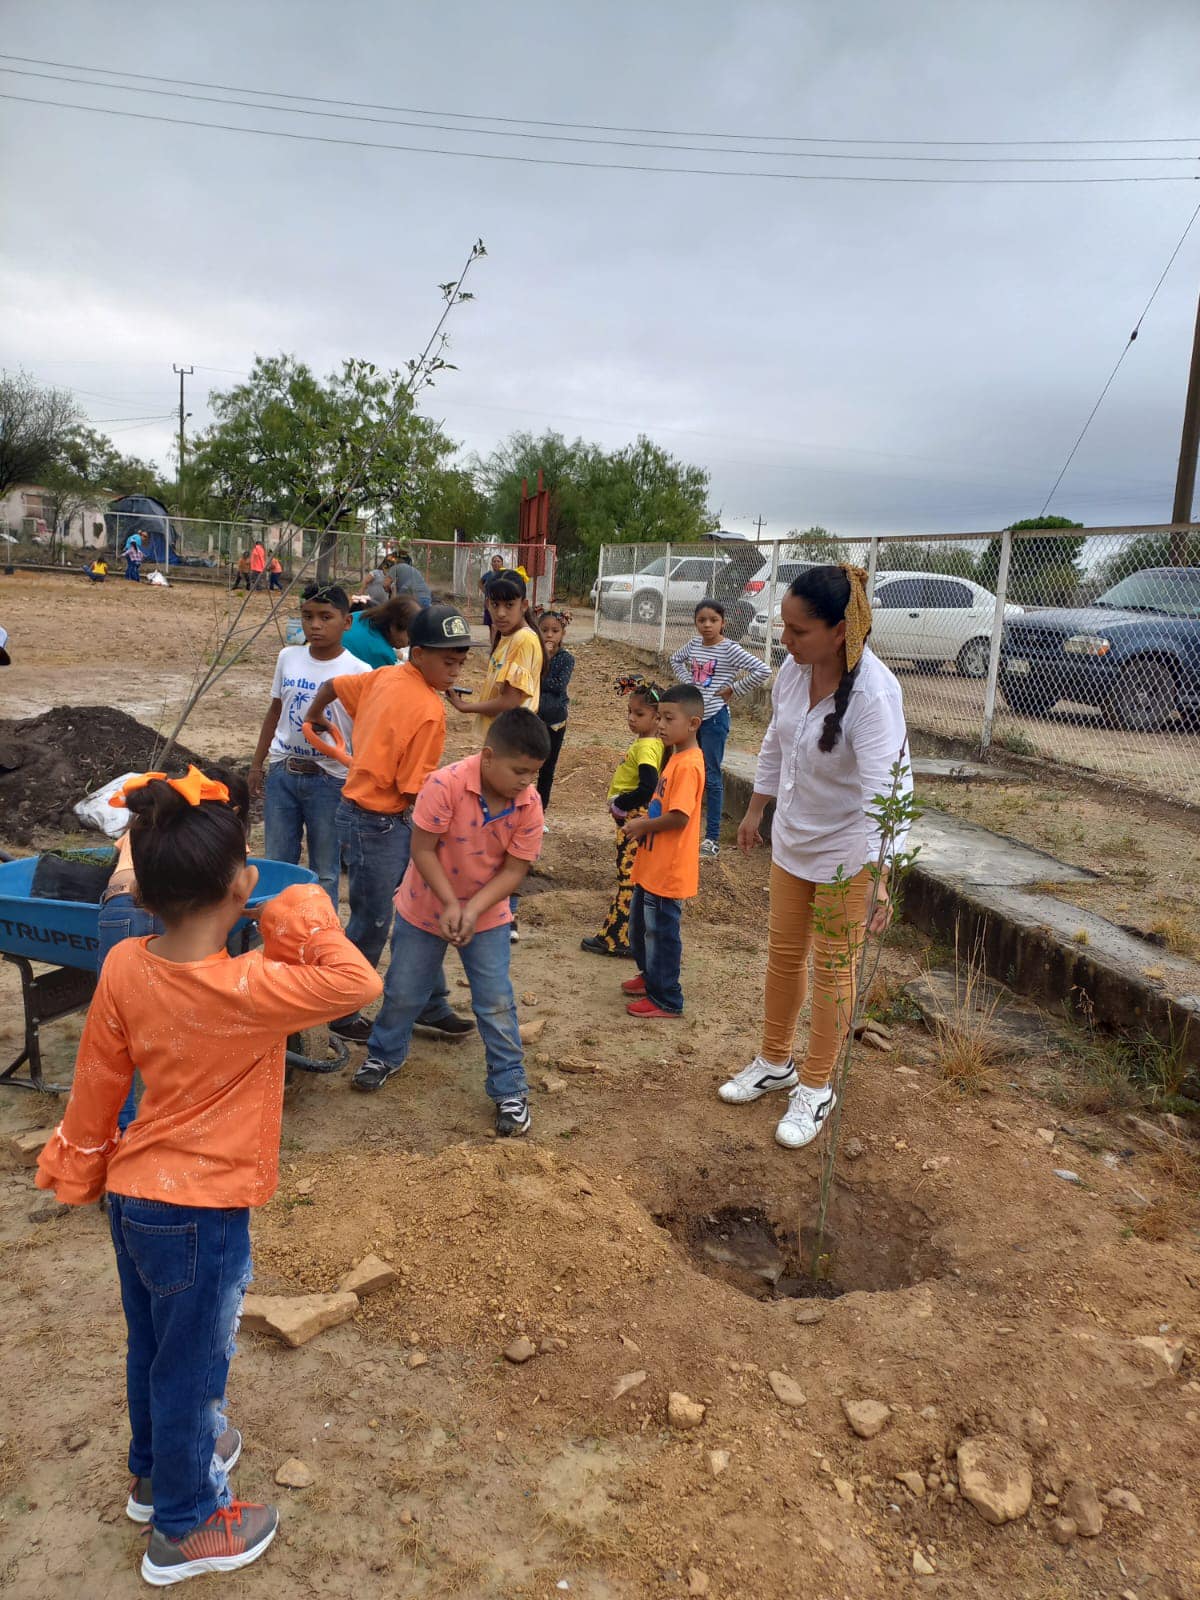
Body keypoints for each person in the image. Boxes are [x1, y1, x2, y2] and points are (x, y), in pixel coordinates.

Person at [35, 767, 381, 1585]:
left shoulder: (126, 964)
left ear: (144, 893)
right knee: (193, 1368)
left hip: (134, 1198)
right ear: (240, 885)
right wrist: (297, 910)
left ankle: (156, 1475)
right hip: (203, 1211)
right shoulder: (253, 986)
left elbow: (98, 1082)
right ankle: (185, 1526)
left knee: (155, 1347)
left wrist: (79, 1164)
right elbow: (357, 982)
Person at [718, 565, 910, 1151]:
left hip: (849, 854)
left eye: (798, 631)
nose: (786, 641)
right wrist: (756, 809)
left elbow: (888, 789)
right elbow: (775, 743)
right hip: (793, 841)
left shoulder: (874, 695)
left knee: (832, 969)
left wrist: (880, 875)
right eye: (784, 628)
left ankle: (817, 1085)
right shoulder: (792, 674)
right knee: (783, 956)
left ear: (839, 631)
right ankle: (775, 1062)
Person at [352, 709, 548, 1135]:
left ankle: (510, 1089)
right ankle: (384, 1054)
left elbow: (515, 871)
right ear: (489, 756)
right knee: (404, 991)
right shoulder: (445, 785)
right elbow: (422, 850)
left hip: (487, 913)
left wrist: (471, 910)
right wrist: (448, 903)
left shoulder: (529, 805)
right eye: (519, 771)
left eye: (533, 773)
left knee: (495, 1002)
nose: (526, 782)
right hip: (424, 904)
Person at [304, 604, 483, 1046]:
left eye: (460, 662)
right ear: (418, 654)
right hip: (381, 823)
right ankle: (341, 1010)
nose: (455, 671)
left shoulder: (384, 675)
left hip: (365, 815)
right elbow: (411, 788)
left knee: (418, 910)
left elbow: (331, 686)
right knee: (373, 920)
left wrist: (315, 716)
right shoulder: (429, 710)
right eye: (448, 661)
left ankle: (429, 1002)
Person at [98, 764, 251, 1134]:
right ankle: (176, 1115)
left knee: (118, 1026)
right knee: (181, 1016)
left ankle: (119, 1130)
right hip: (176, 913)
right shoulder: (218, 837)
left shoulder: (150, 824)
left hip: (119, 905)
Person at [249, 583, 370, 907]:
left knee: (325, 869)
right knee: (277, 862)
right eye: (307, 616)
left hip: (330, 780)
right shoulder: (288, 658)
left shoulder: (360, 672)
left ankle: (320, 928)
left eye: (325, 617)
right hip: (283, 774)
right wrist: (258, 764)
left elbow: (367, 730)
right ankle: (276, 925)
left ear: (346, 622)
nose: (315, 625)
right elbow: (275, 711)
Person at [446, 569, 544, 942]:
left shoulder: (524, 640)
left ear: (524, 605)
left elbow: (511, 700)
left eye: (509, 605)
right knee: (492, 826)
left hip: (512, 749)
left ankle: (507, 915)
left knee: (505, 827)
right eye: (495, 604)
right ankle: (493, 909)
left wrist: (466, 708)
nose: (501, 612)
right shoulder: (507, 638)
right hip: (500, 745)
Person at [620, 685, 706, 1018]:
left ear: (693, 723)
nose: (661, 725)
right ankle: (650, 977)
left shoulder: (689, 765)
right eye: (660, 718)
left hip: (668, 871)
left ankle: (667, 997)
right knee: (640, 928)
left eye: (669, 719)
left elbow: (679, 817)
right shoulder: (675, 757)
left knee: (661, 934)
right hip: (652, 866)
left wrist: (644, 826)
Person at [670, 599, 770, 860]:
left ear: (723, 623)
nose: (707, 625)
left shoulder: (730, 649)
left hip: (714, 719)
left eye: (713, 620)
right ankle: (682, 827)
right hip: (693, 719)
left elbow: (762, 670)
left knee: (712, 777)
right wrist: (689, 683)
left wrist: (733, 689)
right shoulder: (694, 645)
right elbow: (675, 659)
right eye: (701, 620)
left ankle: (711, 838)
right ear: (695, 622)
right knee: (688, 771)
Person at [581, 678, 664, 959]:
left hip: (633, 820)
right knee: (631, 877)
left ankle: (618, 938)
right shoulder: (648, 743)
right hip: (632, 818)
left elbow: (647, 786)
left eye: (639, 714)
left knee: (629, 878)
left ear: (657, 717)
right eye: (629, 712)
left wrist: (621, 803)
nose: (631, 718)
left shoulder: (647, 747)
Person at [535, 609, 574, 822]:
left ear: (562, 634)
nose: (549, 635)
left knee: (547, 769)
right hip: (532, 718)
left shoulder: (566, 659)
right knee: (525, 764)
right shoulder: (533, 654)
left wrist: (539, 674)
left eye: (555, 631)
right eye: (544, 630)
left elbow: (559, 686)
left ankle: (539, 815)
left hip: (555, 721)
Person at [342, 595, 422, 670]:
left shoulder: (362, 615)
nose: (411, 642)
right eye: (410, 636)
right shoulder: (382, 653)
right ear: (393, 626)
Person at [480, 553, 506, 628]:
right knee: (490, 625)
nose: (496, 563)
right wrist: (485, 591)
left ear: (502, 563)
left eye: (498, 561)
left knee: (500, 624)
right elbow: (480, 583)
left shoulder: (505, 574)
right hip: (489, 603)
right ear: (491, 564)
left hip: (501, 603)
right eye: (494, 561)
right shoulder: (488, 574)